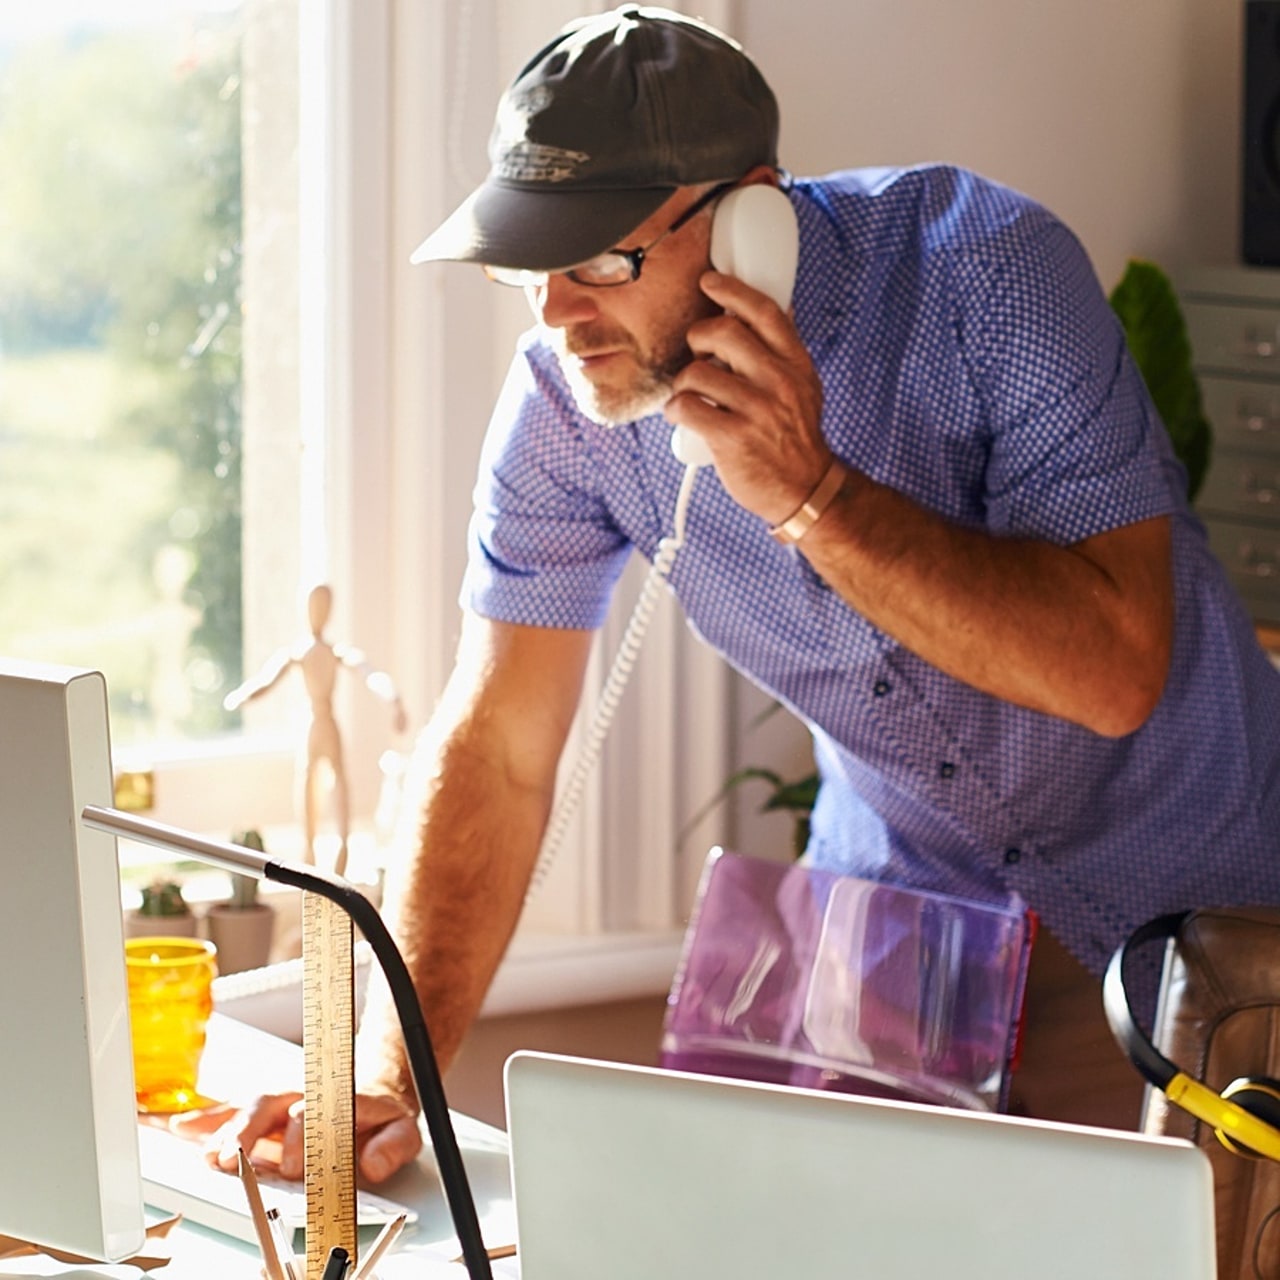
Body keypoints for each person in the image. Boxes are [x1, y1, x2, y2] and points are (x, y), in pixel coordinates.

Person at [216, 5, 1280, 1181]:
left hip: (1201, 911)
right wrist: (383, 1070)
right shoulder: (568, 409)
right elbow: (502, 744)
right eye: (531, 267)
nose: (559, 313)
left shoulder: (984, 273)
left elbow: (1114, 669)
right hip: (901, 936)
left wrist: (811, 494)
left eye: (600, 262)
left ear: (747, 221)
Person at [224, 583, 407, 876]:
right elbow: (265, 681)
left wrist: (394, 700)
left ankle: (341, 849)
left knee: (333, 781)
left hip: (324, 725)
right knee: (312, 779)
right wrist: (240, 698)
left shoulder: (334, 652)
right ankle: (310, 851)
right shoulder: (302, 652)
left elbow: (371, 675)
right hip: (317, 725)